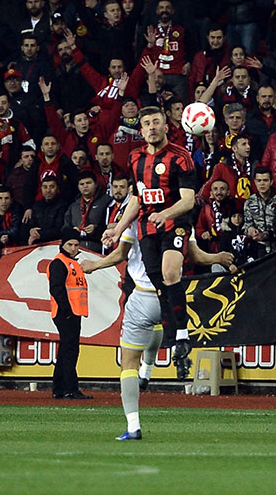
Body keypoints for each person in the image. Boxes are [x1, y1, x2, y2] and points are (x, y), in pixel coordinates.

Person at [83, 221, 235, 440]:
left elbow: (119, 255)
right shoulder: (181, 223)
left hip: (144, 296)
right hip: (173, 297)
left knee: (128, 363)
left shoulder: (135, 223)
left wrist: (94, 265)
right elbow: (197, 257)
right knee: (158, 324)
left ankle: (133, 425)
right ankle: (149, 367)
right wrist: (218, 257)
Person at [102, 107, 197, 381]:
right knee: (159, 282)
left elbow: (189, 200)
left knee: (170, 272)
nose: (152, 127)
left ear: (166, 126)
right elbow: (137, 198)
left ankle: (182, 333)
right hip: (147, 227)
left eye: (157, 122)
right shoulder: (135, 158)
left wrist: (164, 214)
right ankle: (176, 340)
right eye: (147, 123)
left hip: (174, 223)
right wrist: (118, 229)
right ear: (141, 130)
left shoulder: (181, 157)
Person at [47, 227, 91, 400]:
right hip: (67, 312)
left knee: (66, 350)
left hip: (72, 312)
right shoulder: (60, 263)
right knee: (70, 350)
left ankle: (59, 388)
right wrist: (67, 310)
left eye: (76, 245)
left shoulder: (70, 262)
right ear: (62, 244)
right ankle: (70, 388)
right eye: (70, 244)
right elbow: (56, 289)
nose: (74, 248)